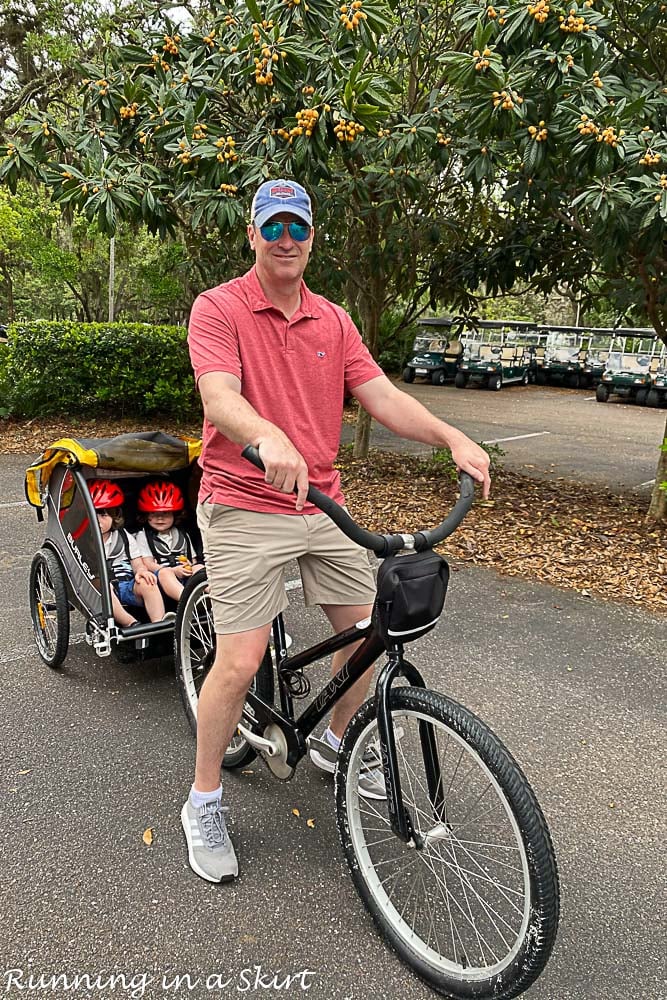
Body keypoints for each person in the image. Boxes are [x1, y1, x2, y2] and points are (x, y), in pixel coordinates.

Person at [184, 177, 491, 883]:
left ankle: (332, 743)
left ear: (312, 238)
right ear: (253, 235)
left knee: (371, 634)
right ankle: (203, 801)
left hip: (321, 503)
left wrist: (451, 437)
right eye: (274, 228)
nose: (286, 240)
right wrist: (266, 435)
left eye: (298, 229)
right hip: (245, 501)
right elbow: (219, 397)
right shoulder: (220, 308)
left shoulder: (333, 320)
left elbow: (379, 394)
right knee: (237, 661)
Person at [88, 478, 167, 627]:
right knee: (105, 587)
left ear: (114, 517)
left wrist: (141, 571)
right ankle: (131, 623)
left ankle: (159, 623)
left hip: (126, 584)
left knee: (147, 582)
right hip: (101, 588)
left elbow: (137, 563)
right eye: (93, 515)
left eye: (103, 515)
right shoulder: (84, 540)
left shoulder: (124, 537)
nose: (97, 521)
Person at [133, 481, 204, 602]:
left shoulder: (183, 535)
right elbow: (148, 564)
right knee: (165, 573)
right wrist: (173, 571)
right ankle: (189, 603)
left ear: (175, 514)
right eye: (154, 513)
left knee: (200, 568)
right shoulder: (142, 536)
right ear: (146, 515)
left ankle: (213, 597)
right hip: (160, 580)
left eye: (165, 513)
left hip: (183, 575)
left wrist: (188, 566)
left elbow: (193, 560)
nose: (160, 518)